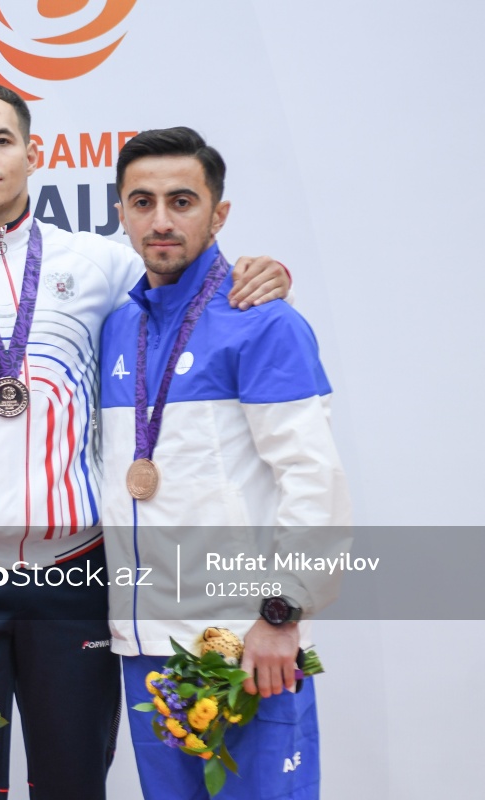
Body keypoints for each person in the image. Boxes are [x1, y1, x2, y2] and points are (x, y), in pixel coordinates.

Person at [0, 81, 291, 799]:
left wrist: (260, 274)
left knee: (75, 782)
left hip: (75, 576)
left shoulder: (102, 266)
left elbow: (191, 290)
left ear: (35, 152)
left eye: (0, 140)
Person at [100, 127, 351, 799]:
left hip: (246, 644)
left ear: (219, 213)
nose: (161, 219)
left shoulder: (264, 321)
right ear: (121, 212)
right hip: (147, 649)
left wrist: (282, 614)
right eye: (143, 201)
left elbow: (314, 480)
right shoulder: (116, 327)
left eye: (181, 201)